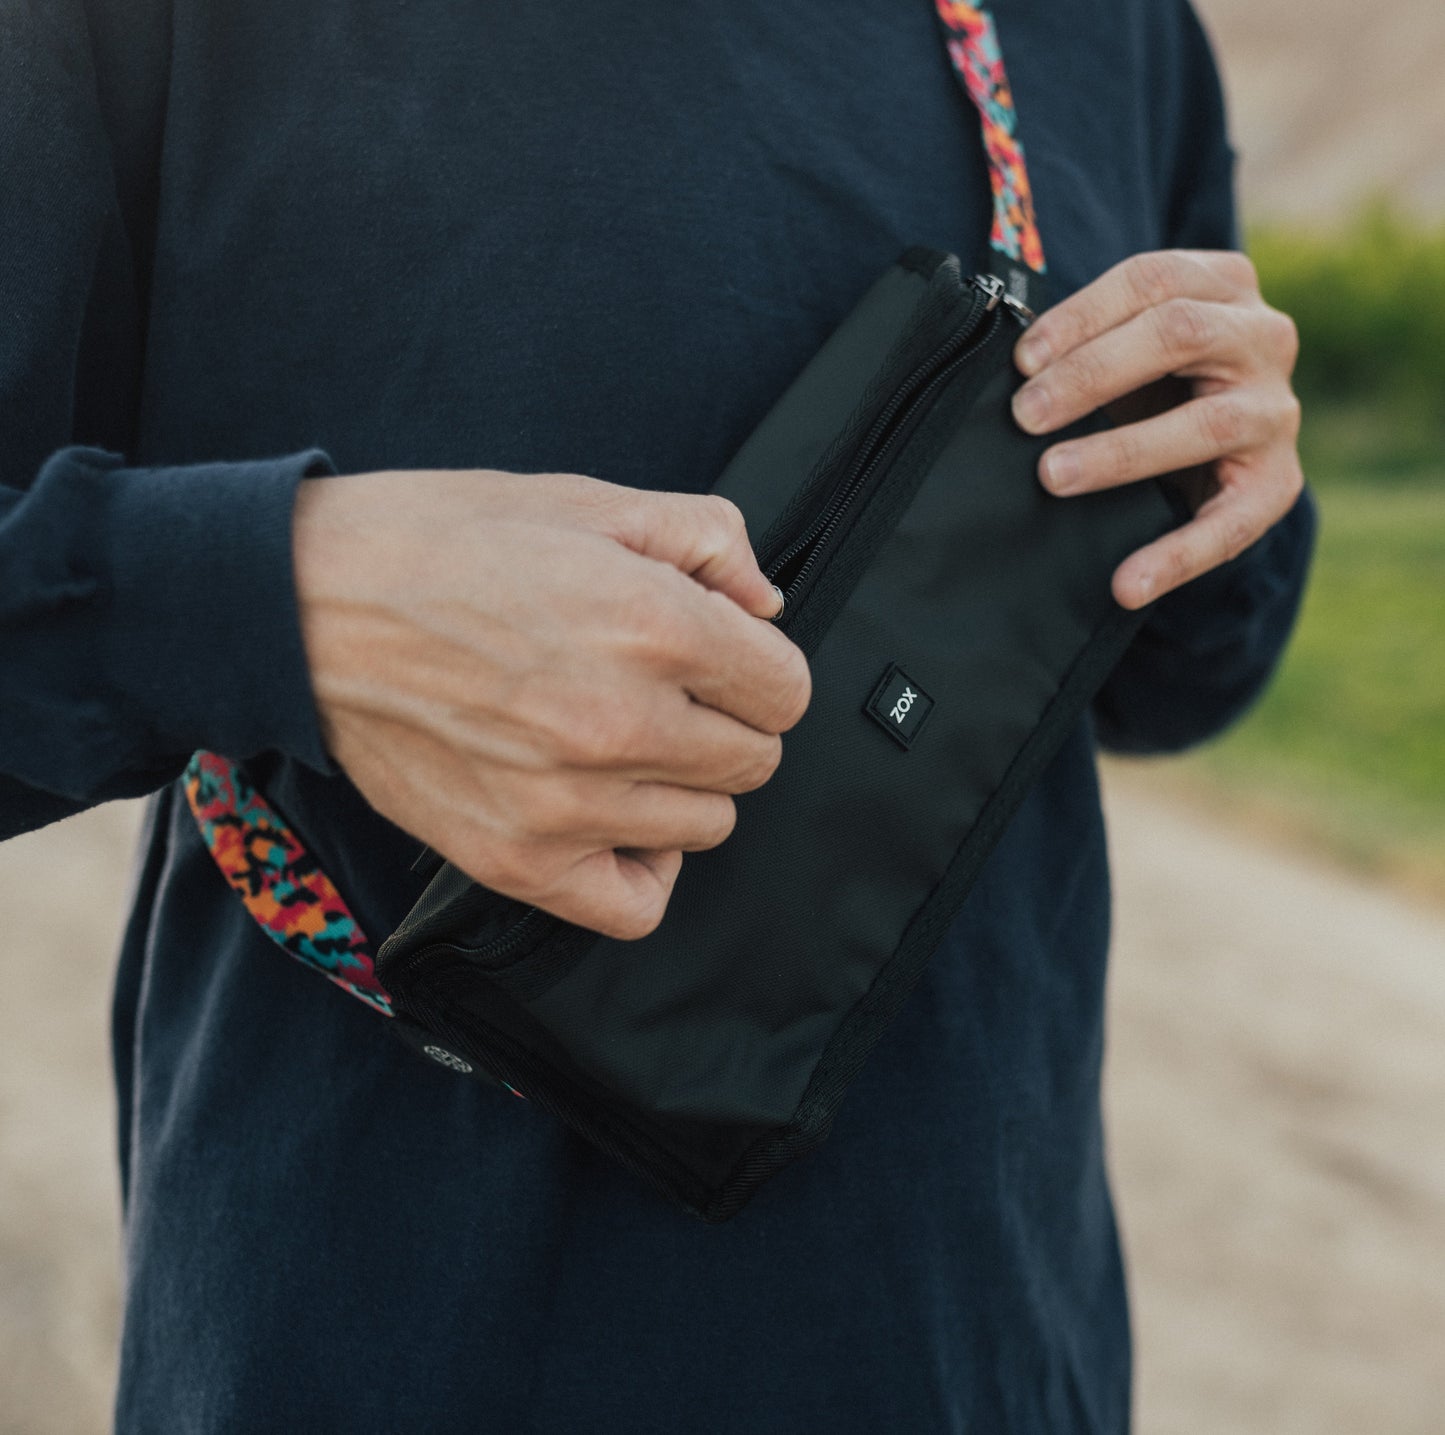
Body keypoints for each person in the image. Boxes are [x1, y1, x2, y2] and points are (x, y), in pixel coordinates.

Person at [0, 1, 1315, 1430]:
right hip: (380, 1357)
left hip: (997, 1352)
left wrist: (1225, 483)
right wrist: (282, 597)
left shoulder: (1115, 26)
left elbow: (1177, 686)